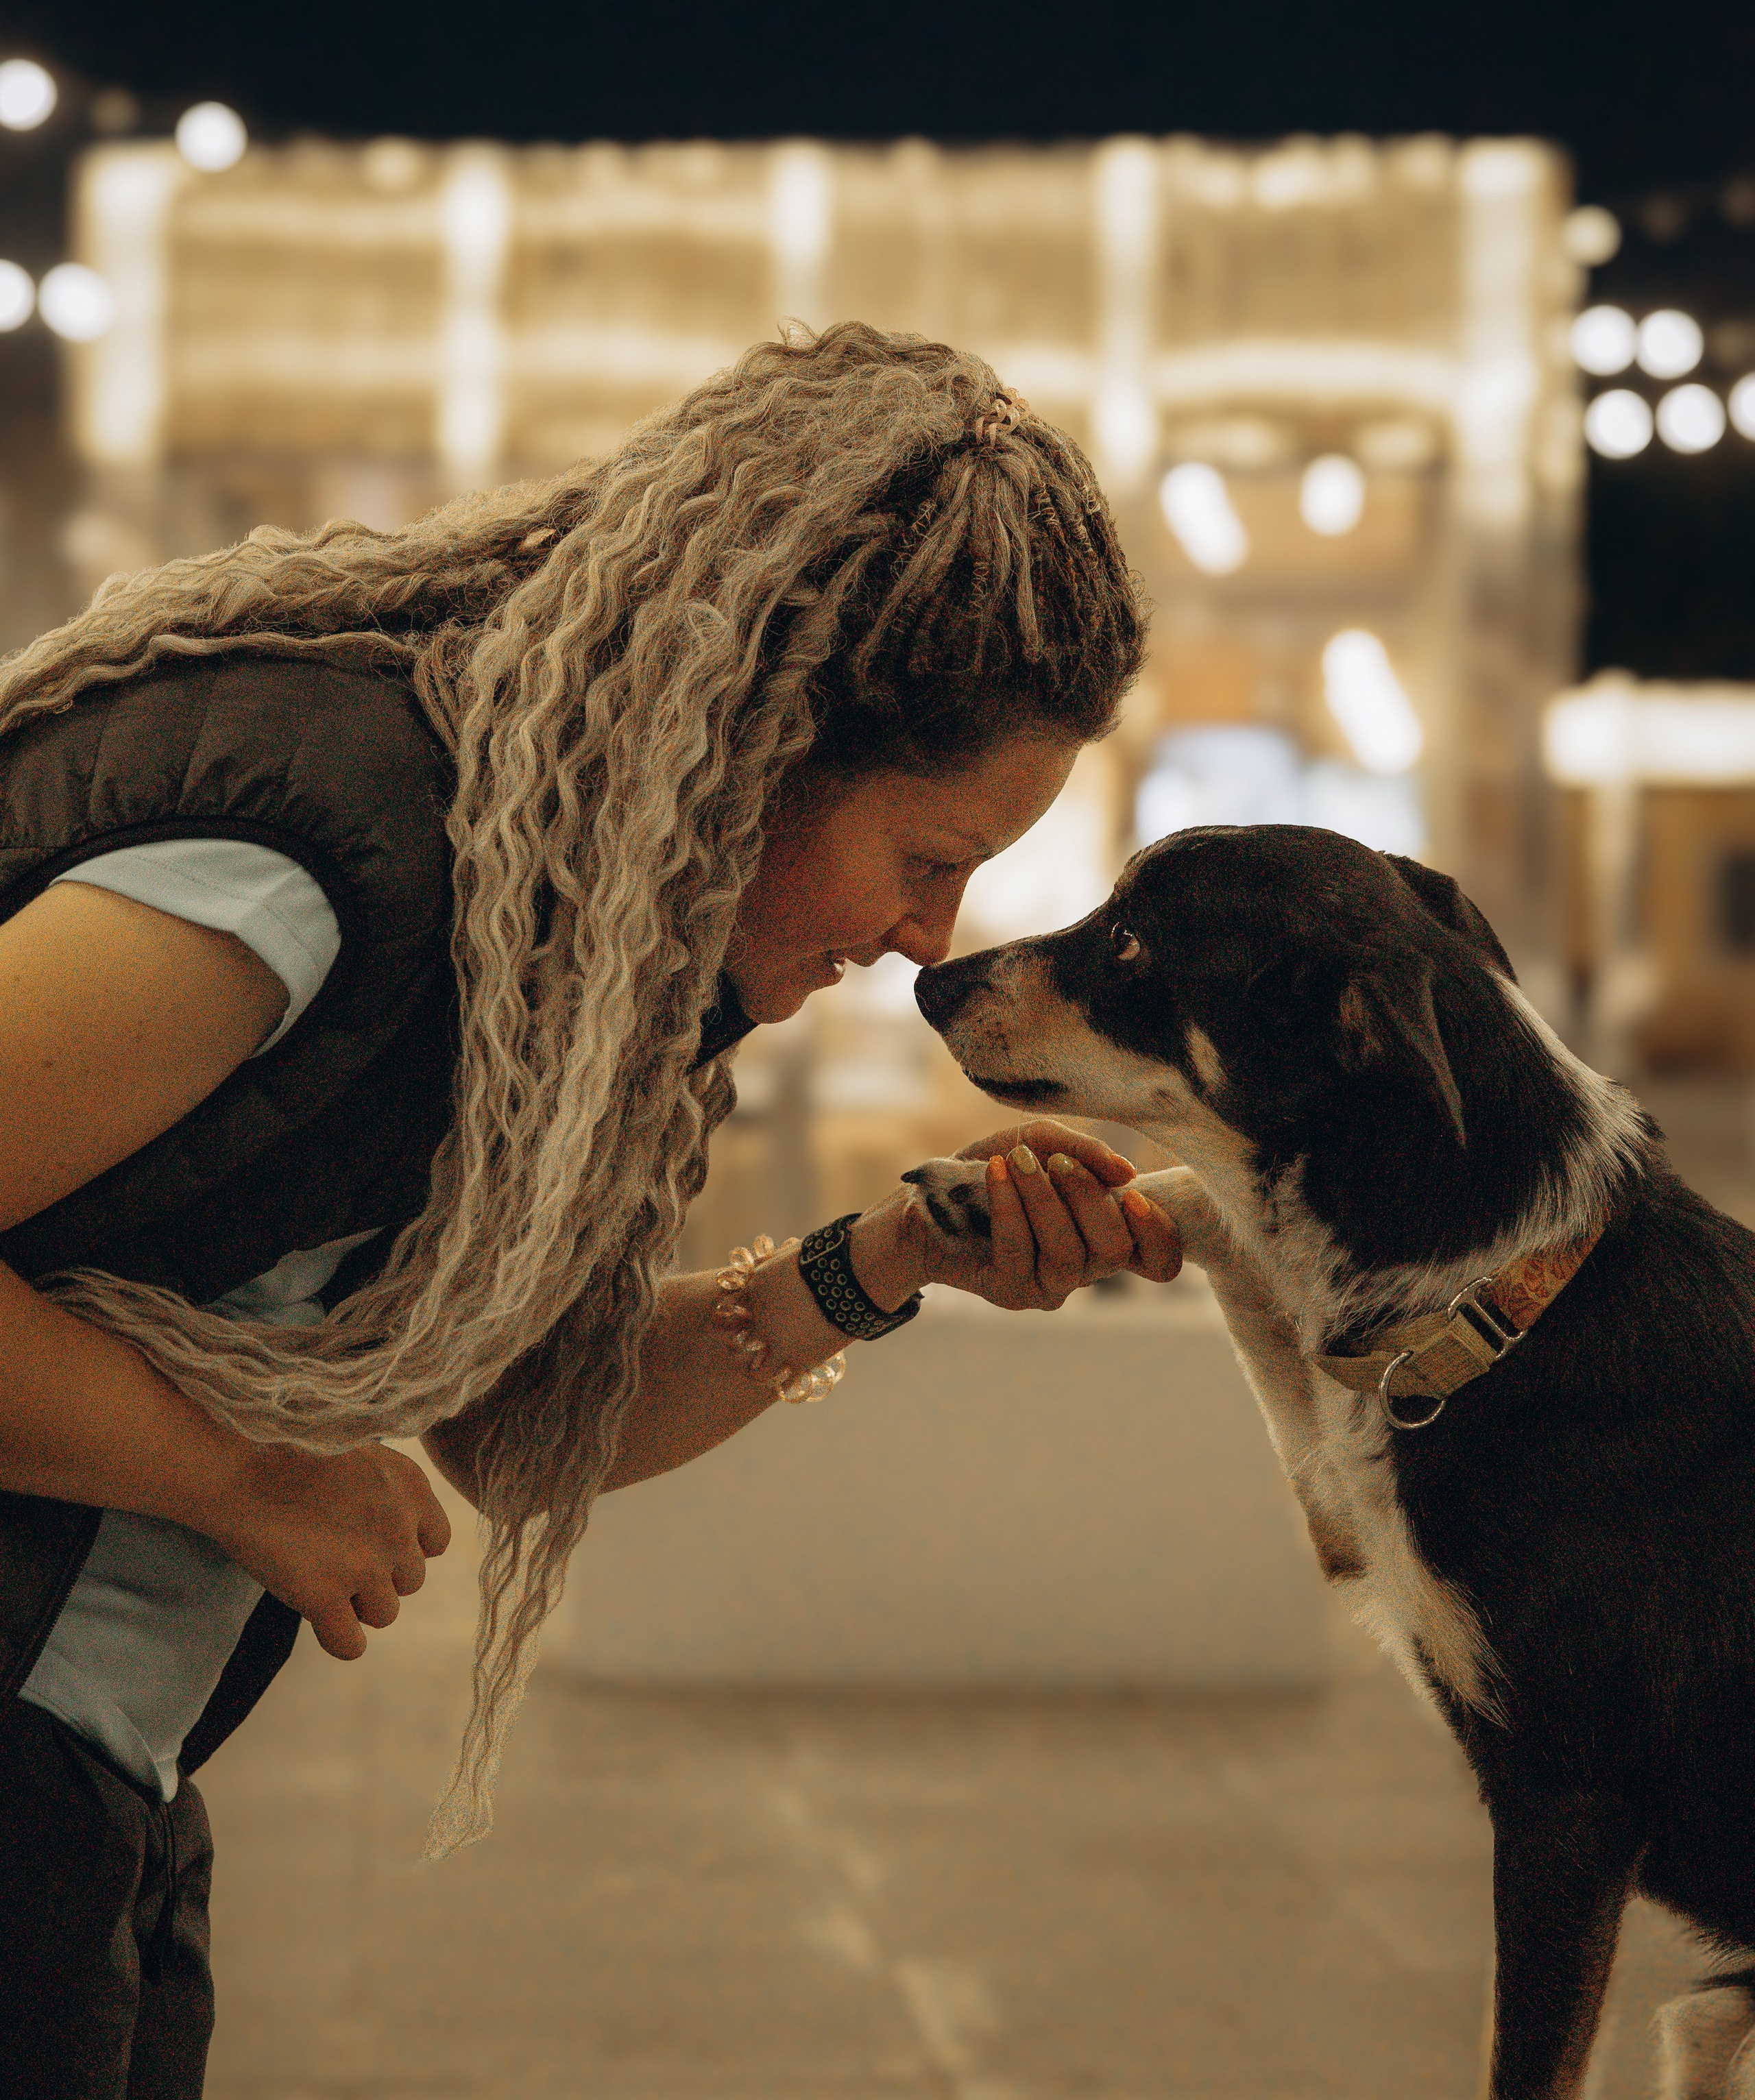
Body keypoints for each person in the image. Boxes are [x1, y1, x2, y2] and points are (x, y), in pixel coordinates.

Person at [0, 321, 1181, 2097]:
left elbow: (523, 1416)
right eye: (927, 860)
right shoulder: (323, 850)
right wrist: (236, 1476)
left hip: (99, 1786)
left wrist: (889, 1259)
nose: (925, 938)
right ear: (757, 739)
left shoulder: (541, 945)